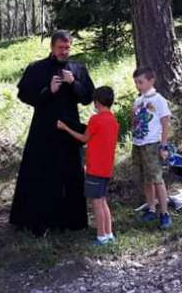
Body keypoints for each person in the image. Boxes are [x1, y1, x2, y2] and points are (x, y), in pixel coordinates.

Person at [10, 30, 96, 236]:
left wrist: (73, 83)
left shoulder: (77, 68)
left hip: (70, 128)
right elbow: (24, 95)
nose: (64, 52)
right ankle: (37, 221)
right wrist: (48, 91)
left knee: (71, 173)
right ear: (52, 47)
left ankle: (71, 221)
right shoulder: (37, 68)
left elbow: (87, 97)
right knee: (40, 172)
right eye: (60, 48)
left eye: (67, 48)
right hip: (43, 128)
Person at [57, 86, 120, 245]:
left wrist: (65, 128)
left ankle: (101, 236)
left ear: (97, 102)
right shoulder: (113, 120)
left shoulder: (95, 119)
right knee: (103, 201)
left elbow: (84, 138)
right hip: (106, 168)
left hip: (95, 169)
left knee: (96, 203)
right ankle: (109, 234)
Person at [131, 67, 173, 230]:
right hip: (139, 143)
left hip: (152, 144)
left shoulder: (159, 100)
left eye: (140, 82)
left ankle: (164, 213)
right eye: (136, 82)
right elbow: (135, 122)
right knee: (146, 179)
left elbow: (165, 122)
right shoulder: (138, 101)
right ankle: (151, 208)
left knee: (156, 179)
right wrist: (133, 114)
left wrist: (163, 145)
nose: (138, 85)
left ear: (151, 81)